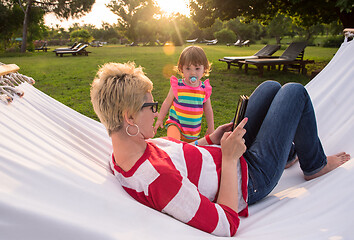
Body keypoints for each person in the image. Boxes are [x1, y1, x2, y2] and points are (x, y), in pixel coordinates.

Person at [90, 62, 350, 237]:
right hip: (251, 177)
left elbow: (178, 157)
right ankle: (314, 165)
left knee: (270, 87)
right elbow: (225, 224)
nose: (158, 111)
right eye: (152, 106)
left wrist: (210, 140)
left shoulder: (125, 152)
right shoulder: (157, 179)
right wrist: (228, 158)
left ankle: (285, 154)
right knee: (294, 92)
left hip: (231, 157)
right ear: (130, 118)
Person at [154, 45, 214, 143]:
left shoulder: (204, 89)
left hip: (193, 130)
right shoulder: (177, 85)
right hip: (176, 123)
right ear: (181, 69)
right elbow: (167, 102)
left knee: (187, 150)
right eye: (188, 68)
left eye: (197, 68)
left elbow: (208, 109)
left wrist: (211, 128)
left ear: (205, 68)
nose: (193, 73)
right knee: (174, 144)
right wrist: (160, 119)